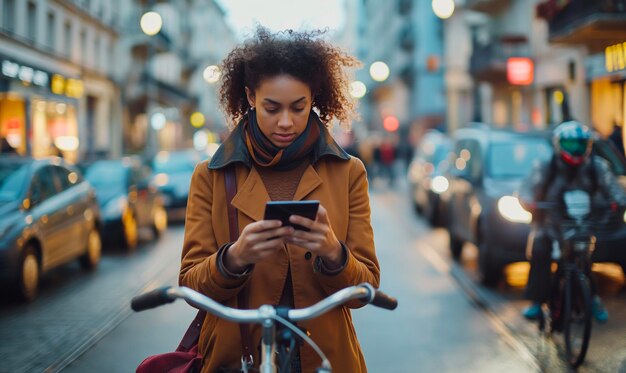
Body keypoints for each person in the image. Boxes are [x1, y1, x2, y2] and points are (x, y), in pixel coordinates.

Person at [179, 27, 380, 373]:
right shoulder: (211, 175)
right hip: (237, 359)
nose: (286, 122)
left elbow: (367, 288)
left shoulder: (349, 173)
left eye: (298, 108)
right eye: (272, 108)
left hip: (327, 359)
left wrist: (333, 252)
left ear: (313, 98)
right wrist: (235, 257)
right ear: (250, 97)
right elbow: (190, 284)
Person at [519, 120, 626, 322]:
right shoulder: (545, 167)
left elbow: (616, 191)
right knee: (540, 252)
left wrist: (618, 203)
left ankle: (592, 298)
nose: (576, 149)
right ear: (559, 144)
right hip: (549, 226)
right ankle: (536, 301)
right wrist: (529, 202)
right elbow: (526, 190)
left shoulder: (598, 168)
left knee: (584, 260)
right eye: (570, 144)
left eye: (580, 144)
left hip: (583, 225)